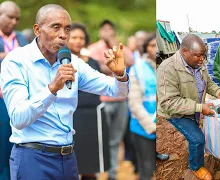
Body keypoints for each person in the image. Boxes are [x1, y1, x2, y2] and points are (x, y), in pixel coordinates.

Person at [0, 4, 129, 180]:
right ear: (37, 29)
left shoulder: (72, 62)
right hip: (33, 158)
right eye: (56, 27)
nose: (63, 34)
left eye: (67, 29)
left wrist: (120, 74)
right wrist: (52, 89)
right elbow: (18, 118)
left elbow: (117, 91)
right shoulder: (16, 61)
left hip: (67, 158)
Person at [157, 34, 220, 180]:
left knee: (196, 133)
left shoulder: (198, 64)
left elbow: (208, 83)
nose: (202, 59)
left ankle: (196, 151)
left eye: (204, 55)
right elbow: (168, 102)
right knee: (197, 139)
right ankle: (196, 167)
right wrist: (199, 107)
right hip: (176, 113)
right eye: (198, 56)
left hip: (194, 108)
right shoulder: (167, 69)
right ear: (184, 52)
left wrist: (218, 92)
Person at [88, 19, 133, 180]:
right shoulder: (93, 48)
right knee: (100, 139)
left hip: (120, 101)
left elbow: (129, 62)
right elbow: (92, 68)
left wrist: (113, 44)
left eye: (110, 29)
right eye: (104, 29)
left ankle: (113, 174)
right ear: (100, 32)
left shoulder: (119, 47)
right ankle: (99, 172)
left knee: (115, 140)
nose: (107, 32)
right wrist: (114, 68)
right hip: (101, 101)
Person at [68, 23, 110, 180]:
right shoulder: (58, 62)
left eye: (81, 38)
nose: (78, 41)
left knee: (92, 162)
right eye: (74, 37)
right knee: (73, 160)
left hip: (94, 115)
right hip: (71, 115)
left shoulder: (92, 62)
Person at [0, 1, 29, 179]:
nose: (14, 22)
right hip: (1, 99)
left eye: (17, 18)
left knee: (18, 142)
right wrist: (10, 55)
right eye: (10, 17)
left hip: (21, 99)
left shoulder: (22, 38)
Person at [128, 33, 157, 180]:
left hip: (158, 128)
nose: (156, 48)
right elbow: (134, 103)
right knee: (147, 167)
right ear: (146, 48)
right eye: (152, 45)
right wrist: (151, 126)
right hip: (143, 127)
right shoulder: (137, 69)